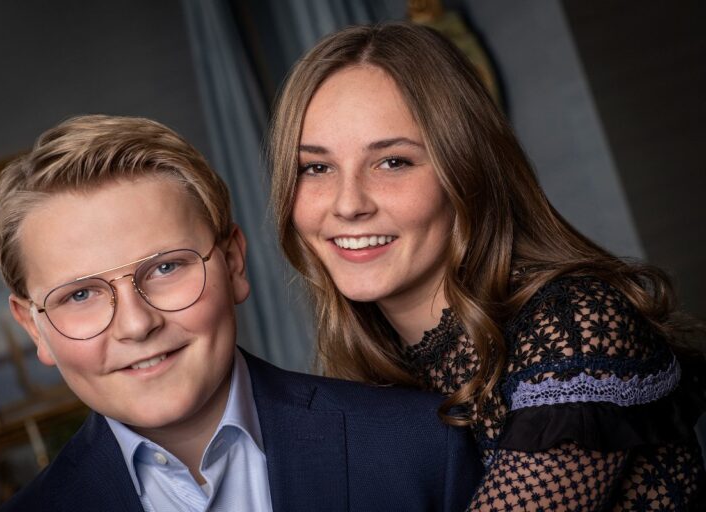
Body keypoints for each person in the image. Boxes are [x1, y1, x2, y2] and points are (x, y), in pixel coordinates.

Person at [268, 22, 706, 510]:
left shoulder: (575, 328)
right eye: (316, 167)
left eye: (392, 161)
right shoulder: (367, 371)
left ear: (466, 168)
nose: (348, 205)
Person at [0, 115, 482, 512]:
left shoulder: (423, 447)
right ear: (34, 326)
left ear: (233, 263)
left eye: (165, 267)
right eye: (80, 295)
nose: (137, 325)